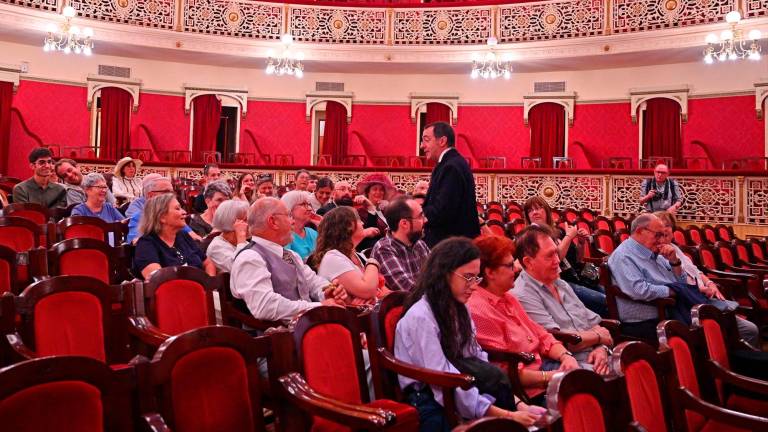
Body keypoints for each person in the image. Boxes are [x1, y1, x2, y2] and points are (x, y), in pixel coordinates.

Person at [395, 238, 543, 431]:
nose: (474, 286)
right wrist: (507, 415)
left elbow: (477, 364)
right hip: (428, 395)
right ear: (444, 273)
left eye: (476, 278)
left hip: (461, 385)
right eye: (468, 277)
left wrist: (519, 406)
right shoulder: (421, 317)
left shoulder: (460, 308)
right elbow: (443, 378)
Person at [470, 235, 580, 405]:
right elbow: (504, 372)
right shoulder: (477, 310)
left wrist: (566, 356)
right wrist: (553, 376)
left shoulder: (507, 297)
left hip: (546, 368)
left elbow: (541, 334)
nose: (516, 269)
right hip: (527, 391)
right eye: (509, 265)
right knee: (588, 393)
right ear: (489, 272)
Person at [512, 226, 614, 375]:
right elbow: (562, 342)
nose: (557, 260)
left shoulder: (561, 284)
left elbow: (594, 324)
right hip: (566, 366)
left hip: (596, 356)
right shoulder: (522, 295)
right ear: (528, 262)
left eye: (556, 253)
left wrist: (601, 348)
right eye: (550, 256)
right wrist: (598, 337)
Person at [229, 197, 347, 324]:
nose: (293, 222)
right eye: (288, 216)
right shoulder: (250, 258)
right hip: (274, 339)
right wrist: (319, 306)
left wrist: (328, 291)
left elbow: (313, 281)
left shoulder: (291, 254)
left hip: (307, 327)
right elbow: (265, 306)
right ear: (273, 221)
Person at [654, 211, 759, 346]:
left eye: (668, 225)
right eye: (660, 226)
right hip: (692, 304)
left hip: (705, 299)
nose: (664, 229)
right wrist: (700, 289)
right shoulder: (659, 254)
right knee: (750, 330)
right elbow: (675, 284)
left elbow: (696, 271)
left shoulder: (675, 248)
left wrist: (710, 283)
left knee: (745, 327)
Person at [522, 196, 608, 317]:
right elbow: (555, 259)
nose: (535, 212)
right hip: (561, 282)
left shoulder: (559, 232)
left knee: (612, 296)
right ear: (527, 216)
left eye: (538, 208)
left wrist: (581, 243)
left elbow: (578, 259)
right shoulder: (530, 237)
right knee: (606, 302)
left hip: (578, 277)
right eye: (530, 210)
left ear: (546, 211)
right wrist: (569, 237)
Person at [607, 213, 685, 341]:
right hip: (646, 320)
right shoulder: (624, 256)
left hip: (672, 310)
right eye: (658, 235)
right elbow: (638, 290)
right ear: (639, 231)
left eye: (663, 235)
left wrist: (675, 261)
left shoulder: (657, 253)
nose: (662, 240)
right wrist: (672, 291)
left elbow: (682, 282)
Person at [309, 207, 389, 305]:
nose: (363, 223)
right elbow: (368, 290)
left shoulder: (357, 255)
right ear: (349, 226)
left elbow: (381, 292)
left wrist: (374, 297)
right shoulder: (332, 258)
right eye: (359, 220)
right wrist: (373, 261)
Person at [420, 122, 480, 247]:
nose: (422, 146)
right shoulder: (451, 163)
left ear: (442, 141)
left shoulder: (451, 167)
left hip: (451, 249)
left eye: (426, 140)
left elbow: (442, 211)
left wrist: (414, 213)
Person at [133, 194, 216, 280]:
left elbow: (208, 263)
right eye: (177, 208)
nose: (184, 212)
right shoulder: (146, 244)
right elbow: (157, 280)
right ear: (162, 217)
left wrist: (209, 285)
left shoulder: (183, 235)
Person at [370, 196, 430, 292]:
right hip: (408, 305)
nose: (426, 220)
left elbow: (438, 274)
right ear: (404, 223)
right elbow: (409, 290)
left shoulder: (419, 244)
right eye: (420, 216)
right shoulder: (385, 249)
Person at [126, 177, 198, 244]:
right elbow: (136, 242)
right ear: (151, 196)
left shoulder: (177, 216)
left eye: (172, 192)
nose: (171, 196)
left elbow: (195, 238)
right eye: (166, 192)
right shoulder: (139, 217)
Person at [355, 173, 395, 251]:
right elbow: (372, 232)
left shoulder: (386, 210)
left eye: (381, 189)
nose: (378, 192)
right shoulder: (360, 212)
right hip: (370, 250)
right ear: (368, 192)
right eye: (375, 189)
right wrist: (371, 206)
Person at [206, 200, 249, 273]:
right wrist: (241, 238)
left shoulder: (242, 242)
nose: (249, 223)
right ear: (231, 223)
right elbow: (242, 269)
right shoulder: (216, 248)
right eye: (245, 220)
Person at [282, 190, 318, 261]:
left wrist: (322, 225)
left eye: (309, 204)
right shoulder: (284, 236)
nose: (310, 209)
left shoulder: (313, 232)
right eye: (304, 204)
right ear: (289, 209)